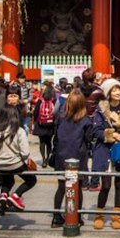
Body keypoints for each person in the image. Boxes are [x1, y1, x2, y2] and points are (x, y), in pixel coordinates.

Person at [92, 78, 120, 230]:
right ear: (108, 92)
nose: (117, 92)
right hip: (105, 150)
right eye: (114, 89)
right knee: (105, 185)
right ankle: (99, 214)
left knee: (119, 184)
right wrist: (112, 134)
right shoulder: (101, 109)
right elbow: (96, 131)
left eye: (119, 89)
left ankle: (117, 216)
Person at [51, 89, 94, 228]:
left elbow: (55, 137)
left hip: (61, 154)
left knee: (61, 187)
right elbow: (88, 139)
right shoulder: (86, 119)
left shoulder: (60, 117)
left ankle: (56, 217)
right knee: (78, 187)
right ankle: (77, 216)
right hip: (78, 155)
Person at [0, 106, 37, 213]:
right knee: (31, 180)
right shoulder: (19, 131)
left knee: (8, 180)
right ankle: (15, 195)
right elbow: (25, 153)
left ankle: (4, 195)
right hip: (15, 164)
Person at [32, 82, 57, 168]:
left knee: (42, 142)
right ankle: (48, 158)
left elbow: (36, 112)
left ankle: (43, 159)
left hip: (41, 124)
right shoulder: (54, 100)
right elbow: (56, 112)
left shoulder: (40, 100)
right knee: (49, 142)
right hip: (50, 124)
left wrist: (35, 121)